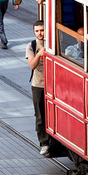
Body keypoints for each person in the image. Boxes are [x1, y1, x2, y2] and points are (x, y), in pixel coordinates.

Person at [26, 21, 50, 156]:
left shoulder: (51, 43)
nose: (40, 33)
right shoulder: (31, 46)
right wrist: (39, 54)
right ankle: (44, 143)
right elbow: (32, 66)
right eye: (37, 31)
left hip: (51, 85)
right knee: (40, 116)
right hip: (38, 85)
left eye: (42, 30)